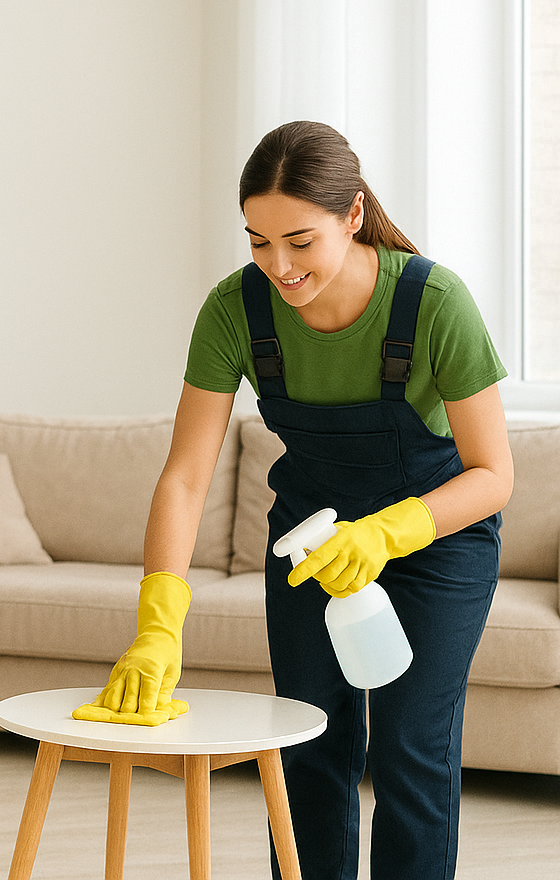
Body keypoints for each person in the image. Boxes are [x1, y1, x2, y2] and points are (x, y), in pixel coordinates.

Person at [74, 121, 511, 880]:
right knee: (309, 744)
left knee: (411, 751)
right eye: (257, 241)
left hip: (436, 543)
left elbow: (493, 474)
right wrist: (159, 618)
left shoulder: (434, 303)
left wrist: (385, 534)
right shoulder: (234, 312)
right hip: (309, 545)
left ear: (352, 214)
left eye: (300, 242)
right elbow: (184, 476)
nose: (279, 266)